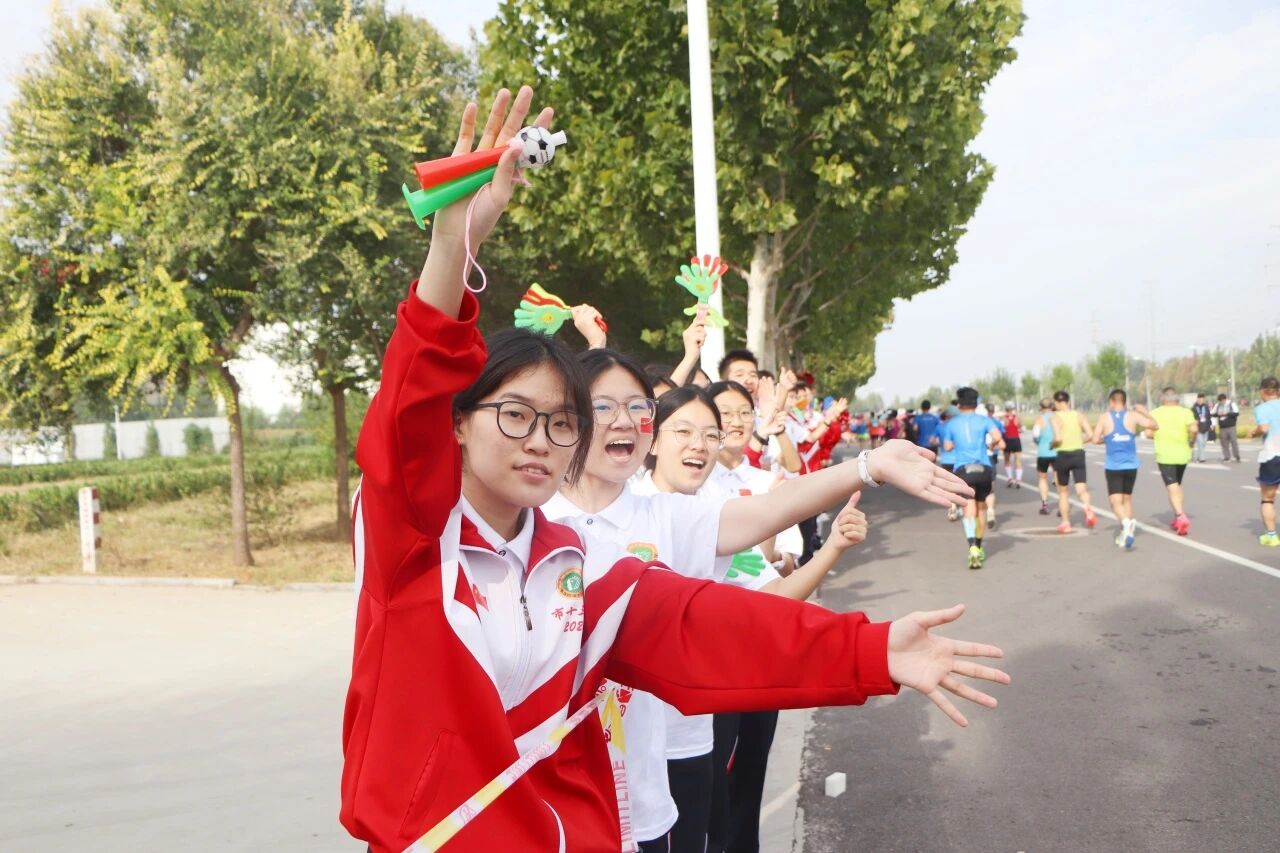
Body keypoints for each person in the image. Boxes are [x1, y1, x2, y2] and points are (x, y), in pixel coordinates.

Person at [340, 88, 1010, 853]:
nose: (540, 440)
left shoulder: (580, 565)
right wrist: (451, 248)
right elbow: (411, 398)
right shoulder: (411, 542)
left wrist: (872, 650)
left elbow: (707, 628)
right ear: (459, 421)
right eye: (516, 414)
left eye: (562, 422)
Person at [940, 388, 1004, 569]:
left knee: (969, 507)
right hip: (983, 468)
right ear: (976, 403)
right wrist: (990, 445)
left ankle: (972, 547)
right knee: (981, 509)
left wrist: (957, 444)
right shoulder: (984, 420)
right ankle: (979, 545)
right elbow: (998, 437)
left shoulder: (952, 424)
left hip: (963, 470)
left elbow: (947, 446)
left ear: (959, 404)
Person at [1091, 389, 1157, 550]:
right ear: (1125, 402)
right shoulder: (1133, 416)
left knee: (1115, 502)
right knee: (1127, 499)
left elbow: (1095, 439)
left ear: (1111, 402)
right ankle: (1127, 533)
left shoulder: (1104, 417)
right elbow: (1155, 425)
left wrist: (1108, 439)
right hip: (1131, 465)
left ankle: (1126, 523)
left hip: (1114, 466)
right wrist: (1145, 412)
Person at [1148, 386, 1197, 536]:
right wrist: (1192, 441)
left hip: (1165, 455)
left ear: (1162, 399)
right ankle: (1178, 516)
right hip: (1183, 454)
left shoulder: (1155, 413)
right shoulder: (1186, 412)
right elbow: (1194, 429)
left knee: (1171, 486)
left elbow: (1148, 433)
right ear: (1177, 399)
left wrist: (1160, 434)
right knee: (1177, 484)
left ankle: (1181, 516)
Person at [1049, 390, 1096, 534]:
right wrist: (1080, 441)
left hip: (1063, 455)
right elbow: (1091, 435)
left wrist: (1052, 444)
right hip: (1078, 454)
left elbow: (1058, 439)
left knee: (1063, 491)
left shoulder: (1055, 417)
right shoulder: (1079, 415)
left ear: (1056, 403)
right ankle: (1087, 507)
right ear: (1068, 401)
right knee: (1081, 488)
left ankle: (1066, 523)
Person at [1250, 377, 1280, 547]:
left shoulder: (1262, 408)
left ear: (1262, 391)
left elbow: (1264, 428)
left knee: (1268, 499)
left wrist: (1254, 432)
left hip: (1273, 456)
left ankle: (1272, 536)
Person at [1031, 398, 1057, 515]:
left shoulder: (1039, 419)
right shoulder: (1057, 418)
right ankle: (1062, 503)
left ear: (1041, 407)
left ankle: (1045, 505)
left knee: (1042, 478)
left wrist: (1040, 443)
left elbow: (1035, 436)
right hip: (1057, 452)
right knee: (1059, 478)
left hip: (1043, 453)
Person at [1214, 393, 1242, 463]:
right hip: (1222, 427)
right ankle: (1227, 457)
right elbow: (1213, 413)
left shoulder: (1231, 404)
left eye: (1222, 401)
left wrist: (1227, 414)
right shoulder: (1217, 405)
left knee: (1234, 441)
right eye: (1220, 401)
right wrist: (1217, 414)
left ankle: (1237, 456)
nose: (1221, 402)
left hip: (1231, 426)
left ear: (1225, 399)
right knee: (1224, 443)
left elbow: (1237, 413)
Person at [1001, 403, 1023, 488]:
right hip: (1016, 439)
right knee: (1018, 460)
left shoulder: (1003, 418)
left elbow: (1001, 429)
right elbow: (1020, 426)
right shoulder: (1016, 417)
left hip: (1007, 440)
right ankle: (1018, 479)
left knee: (1007, 460)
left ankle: (1010, 478)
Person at [1192, 393, 1213, 463]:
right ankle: (1202, 458)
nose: (1201, 400)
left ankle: (1199, 456)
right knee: (1200, 443)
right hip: (1198, 427)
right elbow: (1192, 417)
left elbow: (1209, 416)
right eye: (1199, 399)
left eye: (1202, 399)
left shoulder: (1206, 406)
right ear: (1197, 399)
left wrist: (1210, 425)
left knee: (1203, 443)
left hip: (1206, 427)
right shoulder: (1194, 408)